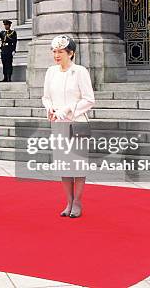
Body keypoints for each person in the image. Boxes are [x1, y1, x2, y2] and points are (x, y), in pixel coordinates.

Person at [42, 35, 95, 218]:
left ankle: (78, 202)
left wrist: (66, 110)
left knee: (77, 166)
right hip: (58, 124)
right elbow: (46, 96)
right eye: (54, 51)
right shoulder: (51, 72)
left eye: (61, 52)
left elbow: (89, 99)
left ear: (71, 53)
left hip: (78, 123)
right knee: (64, 166)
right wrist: (50, 109)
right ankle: (69, 201)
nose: (56, 55)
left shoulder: (80, 71)